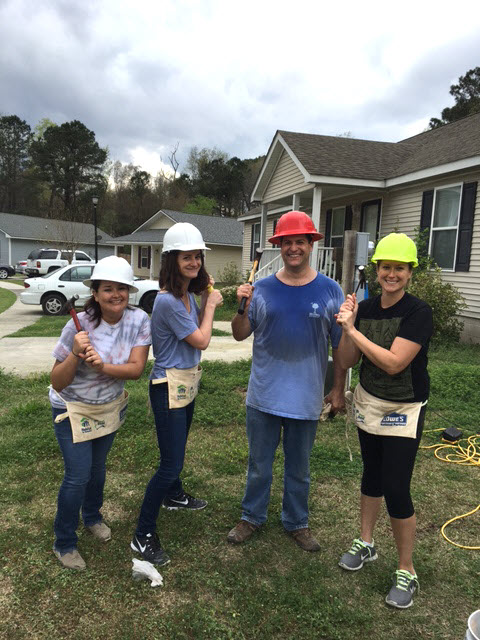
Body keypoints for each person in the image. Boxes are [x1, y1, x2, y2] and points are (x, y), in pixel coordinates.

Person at [227, 210, 346, 552]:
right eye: (287, 242)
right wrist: (241, 307)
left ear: (311, 245)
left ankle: (297, 523)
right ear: (278, 246)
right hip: (263, 395)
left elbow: (339, 347)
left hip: (307, 397)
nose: (293, 248)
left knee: (300, 468)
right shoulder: (260, 289)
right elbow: (238, 335)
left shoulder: (330, 290)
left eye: (300, 241)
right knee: (259, 465)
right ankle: (251, 516)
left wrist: (337, 389)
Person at [336, 233, 433, 609]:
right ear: (376, 271)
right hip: (369, 403)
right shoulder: (367, 307)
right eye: (385, 267)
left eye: (399, 268)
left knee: (396, 487)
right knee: (371, 476)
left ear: (410, 273)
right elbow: (346, 361)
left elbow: (394, 364)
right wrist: (349, 325)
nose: (391, 274)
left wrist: (355, 331)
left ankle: (406, 569)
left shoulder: (418, 313)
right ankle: (366, 543)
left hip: (404, 409)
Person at [50, 256, 151, 570]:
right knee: (78, 476)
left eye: (122, 288)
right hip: (72, 406)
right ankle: (64, 542)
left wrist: (101, 366)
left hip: (108, 406)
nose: (116, 294)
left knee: (98, 470)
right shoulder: (77, 325)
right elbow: (57, 380)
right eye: (108, 289)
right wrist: (76, 355)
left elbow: (135, 370)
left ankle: (91, 516)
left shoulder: (138, 320)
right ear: (95, 293)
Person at [131, 222, 223, 566]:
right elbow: (201, 340)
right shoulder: (168, 301)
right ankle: (143, 535)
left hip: (185, 382)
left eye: (197, 256)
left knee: (177, 450)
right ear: (172, 260)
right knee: (170, 463)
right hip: (167, 386)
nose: (195, 262)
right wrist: (211, 304)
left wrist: (201, 299)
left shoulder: (184, 296)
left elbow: (194, 331)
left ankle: (173, 496)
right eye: (187, 257)